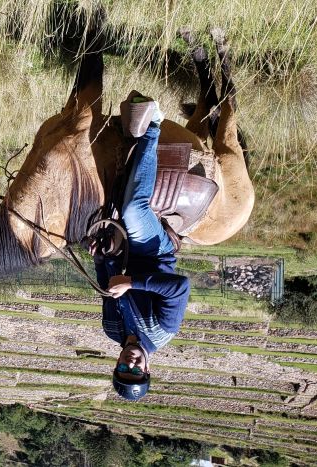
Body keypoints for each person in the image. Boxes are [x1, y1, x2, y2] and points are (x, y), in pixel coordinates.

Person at [94, 95, 190, 402]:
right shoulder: (164, 330)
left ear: (117, 363)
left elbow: (107, 286)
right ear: (147, 369)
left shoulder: (111, 329)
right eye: (136, 371)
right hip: (151, 253)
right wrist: (133, 282)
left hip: (119, 256)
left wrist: (98, 254)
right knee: (134, 211)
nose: (130, 363)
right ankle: (154, 127)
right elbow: (179, 288)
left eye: (124, 368)